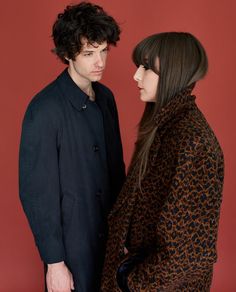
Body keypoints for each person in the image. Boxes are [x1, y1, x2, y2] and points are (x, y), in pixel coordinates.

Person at [101, 32, 224, 291]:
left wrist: (131, 283)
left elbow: (185, 255)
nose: (136, 75)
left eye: (147, 68)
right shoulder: (162, 127)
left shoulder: (194, 143)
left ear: (173, 72)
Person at [19, 2, 125, 292]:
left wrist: (126, 236)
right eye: (89, 53)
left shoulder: (106, 99)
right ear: (67, 54)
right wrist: (54, 263)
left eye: (104, 50)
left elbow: (117, 173)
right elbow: (37, 193)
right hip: (72, 247)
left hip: (111, 239)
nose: (100, 61)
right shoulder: (44, 109)